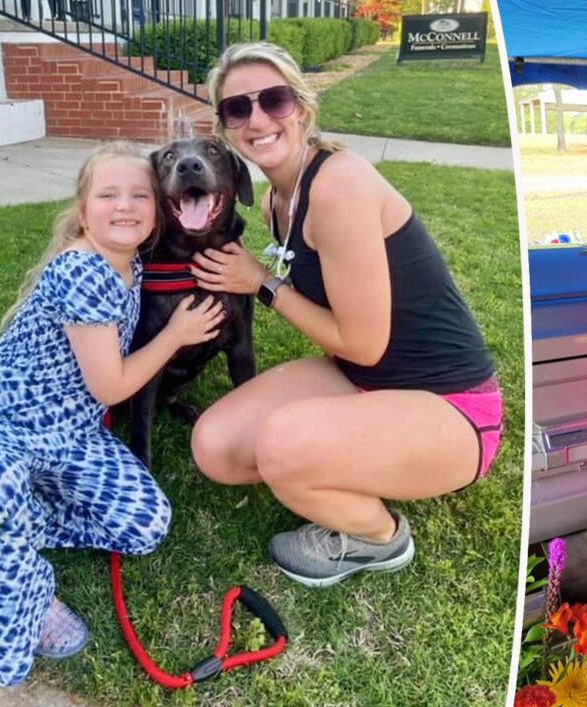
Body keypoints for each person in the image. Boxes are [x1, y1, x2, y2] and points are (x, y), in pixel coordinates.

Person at [189, 42, 502, 588]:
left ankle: (379, 536)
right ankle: (342, 460)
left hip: (452, 407)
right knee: (213, 446)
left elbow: (363, 344)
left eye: (273, 100)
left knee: (279, 442)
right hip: (364, 382)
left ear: (302, 108)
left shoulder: (338, 184)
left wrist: (261, 283)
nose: (257, 120)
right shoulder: (276, 203)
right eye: (237, 108)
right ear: (225, 127)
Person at [0, 142, 224, 688]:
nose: (125, 206)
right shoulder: (82, 270)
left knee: (144, 525)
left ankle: (12, 524)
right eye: (108, 195)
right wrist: (176, 335)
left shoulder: (131, 262)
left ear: (158, 212)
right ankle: (27, 594)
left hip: (70, 432)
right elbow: (111, 386)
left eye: (140, 195)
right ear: (83, 210)